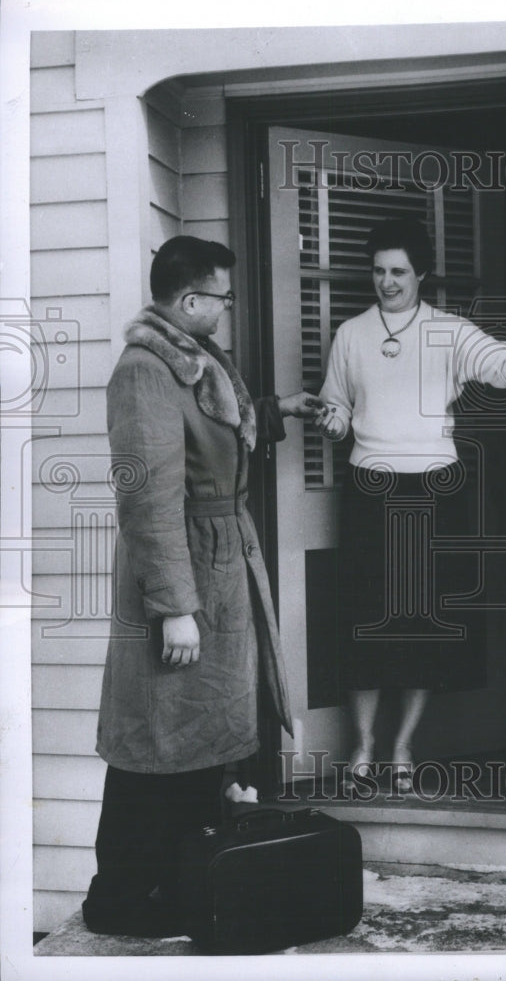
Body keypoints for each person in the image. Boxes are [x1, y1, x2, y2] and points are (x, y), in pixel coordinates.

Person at [82, 236, 322, 937]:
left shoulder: (198, 359)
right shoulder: (144, 372)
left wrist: (285, 409)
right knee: (157, 741)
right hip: (181, 574)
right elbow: (147, 498)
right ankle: (121, 900)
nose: (225, 307)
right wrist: (174, 609)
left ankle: (181, 881)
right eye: (220, 296)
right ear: (189, 301)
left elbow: (218, 433)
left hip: (215, 562)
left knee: (196, 740)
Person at [315, 217, 506, 792]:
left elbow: (501, 361)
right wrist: (333, 421)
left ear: (421, 273)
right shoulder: (352, 334)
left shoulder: (449, 331)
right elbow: (336, 407)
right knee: (365, 622)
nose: (387, 281)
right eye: (378, 270)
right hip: (369, 490)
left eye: (398, 271)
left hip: (432, 488)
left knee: (418, 624)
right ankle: (363, 747)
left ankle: (402, 749)